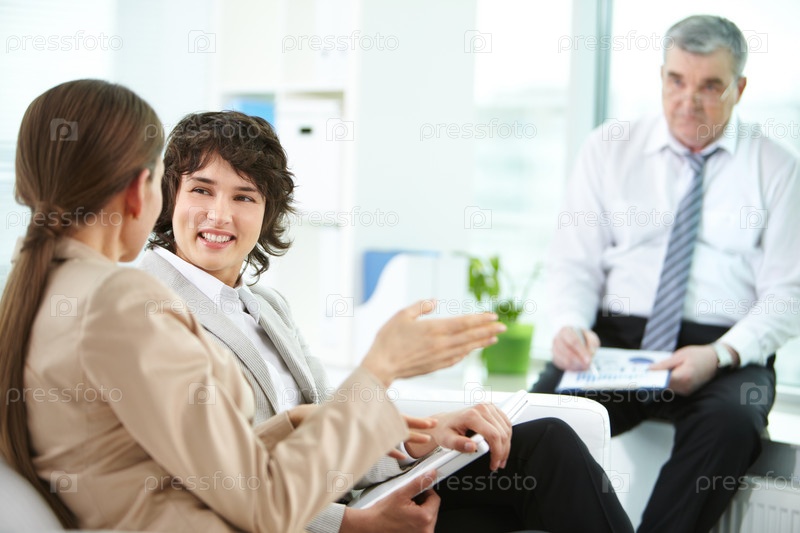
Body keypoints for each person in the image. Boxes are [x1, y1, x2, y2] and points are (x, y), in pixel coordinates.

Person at [0, 79, 507, 532]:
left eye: (244, 197)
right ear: (143, 191)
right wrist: (382, 366)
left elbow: (189, 468)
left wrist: (300, 424)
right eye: (187, 187)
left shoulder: (42, 292)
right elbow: (262, 504)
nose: (219, 214)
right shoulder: (122, 302)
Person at [140, 109, 634, 533]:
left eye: (243, 196)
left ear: (267, 212)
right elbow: (204, 483)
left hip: (351, 497)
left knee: (544, 448)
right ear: (169, 197)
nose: (220, 215)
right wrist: (352, 524)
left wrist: (427, 437)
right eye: (202, 190)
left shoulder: (265, 306)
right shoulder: (148, 310)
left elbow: (331, 429)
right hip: (307, 521)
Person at [532, 15, 800, 532]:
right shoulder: (608, 149)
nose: (688, 101)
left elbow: (788, 294)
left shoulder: (779, 169)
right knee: (540, 420)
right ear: (660, 76)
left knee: (731, 424)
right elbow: (573, 261)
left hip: (724, 348)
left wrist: (719, 354)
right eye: (676, 80)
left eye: (710, 86)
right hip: (616, 339)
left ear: (740, 88)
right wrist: (569, 325)